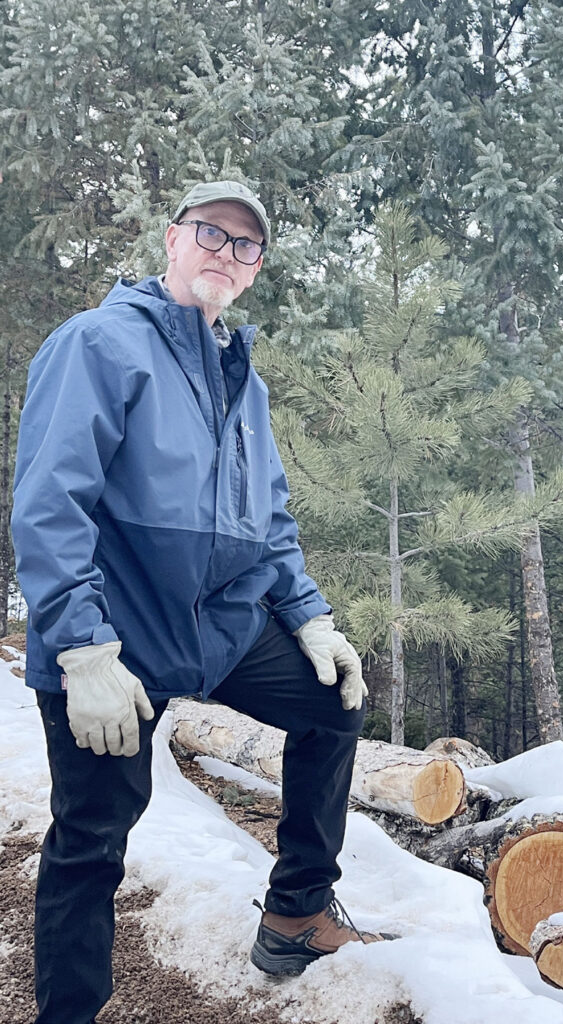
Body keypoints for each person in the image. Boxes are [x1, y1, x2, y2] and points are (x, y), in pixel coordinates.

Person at [12, 180, 395, 1024]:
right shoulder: (99, 343)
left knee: (332, 702)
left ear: (255, 269)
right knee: (91, 841)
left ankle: (296, 914)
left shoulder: (241, 379)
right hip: (115, 638)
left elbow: (271, 517)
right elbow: (49, 505)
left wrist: (309, 615)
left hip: (219, 630)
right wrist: (81, 647)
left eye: (245, 245)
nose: (227, 252)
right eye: (211, 234)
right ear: (172, 240)